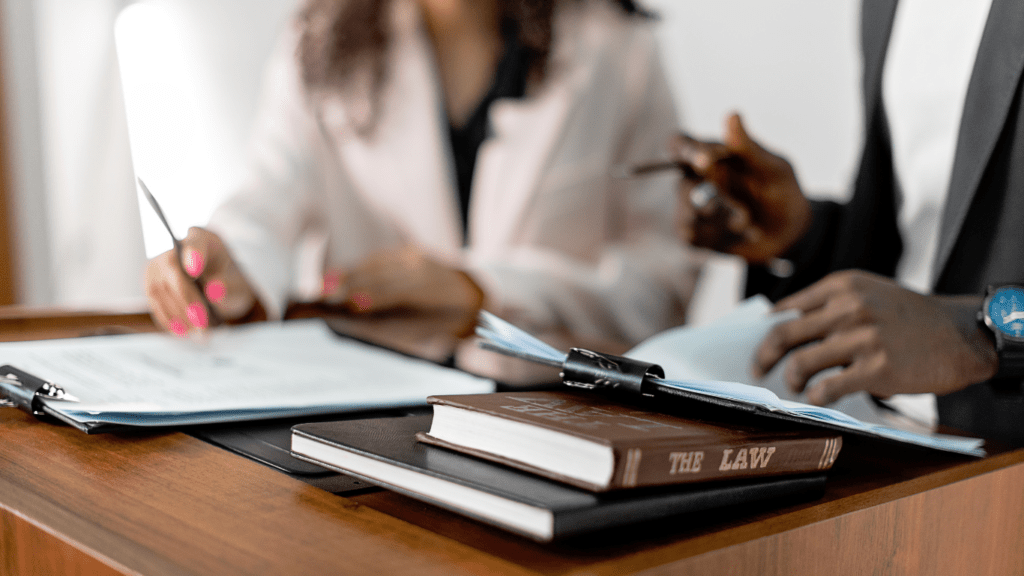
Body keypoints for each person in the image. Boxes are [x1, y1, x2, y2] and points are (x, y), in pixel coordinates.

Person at [144, 0, 699, 380]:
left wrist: (481, 294)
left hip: (551, 410)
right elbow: (269, 193)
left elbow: (659, 290)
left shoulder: (619, 50)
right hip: (367, 403)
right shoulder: (318, 40)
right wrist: (233, 263)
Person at [673, 0, 1024, 444]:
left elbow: (948, 321)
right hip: (894, 436)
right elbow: (919, 248)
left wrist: (983, 333)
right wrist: (804, 238)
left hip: (1003, 469)